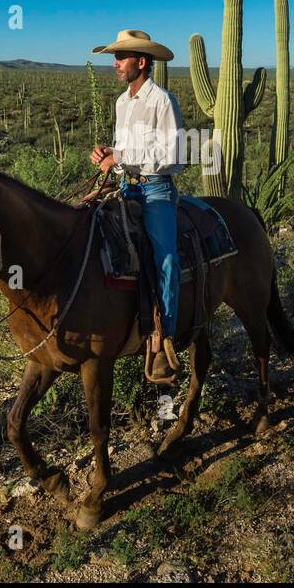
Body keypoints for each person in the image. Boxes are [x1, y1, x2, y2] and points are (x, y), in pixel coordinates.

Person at [89, 29, 185, 385]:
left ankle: (164, 341)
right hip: (126, 189)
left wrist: (122, 155)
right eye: (115, 57)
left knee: (166, 258)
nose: (115, 64)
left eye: (121, 57)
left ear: (141, 62)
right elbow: (120, 153)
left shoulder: (162, 101)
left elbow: (171, 154)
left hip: (156, 191)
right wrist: (106, 155)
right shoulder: (121, 103)